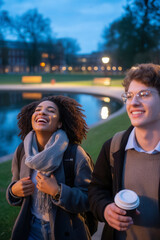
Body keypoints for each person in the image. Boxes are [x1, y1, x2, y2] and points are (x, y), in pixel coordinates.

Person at [88, 63, 160, 240]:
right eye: (129, 95)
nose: (134, 102)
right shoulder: (113, 146)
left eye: (144, 94)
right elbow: (96, 190)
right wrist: (105, 209)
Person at [6, 95, 93, 240]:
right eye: (38, 110)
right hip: (30, 230)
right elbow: (14, 186)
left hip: (65, 231)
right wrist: (14, 191)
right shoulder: (22, 151)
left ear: (59, 123)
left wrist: (58, 192)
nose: (42, 112)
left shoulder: (75, 154)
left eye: (50, 110)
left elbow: (90, 199)